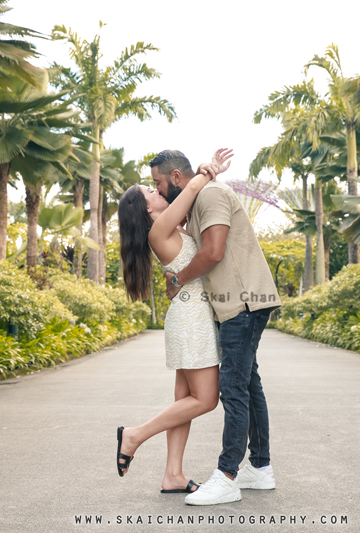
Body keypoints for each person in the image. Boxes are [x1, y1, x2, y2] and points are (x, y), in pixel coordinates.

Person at [153, 149, 282, 506]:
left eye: (159, 184)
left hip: (243, 302)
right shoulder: (197, 201)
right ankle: (259, 467)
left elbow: (213, 251)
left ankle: (227, 476)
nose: (160, 192)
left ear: (176, 178)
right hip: (236, 305)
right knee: (248, 384)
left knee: (233, 387)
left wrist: (178, 278)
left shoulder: (209, 196)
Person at [115, 148, 234, 494]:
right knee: (206, 400)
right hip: (191, 318)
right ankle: (134, 435)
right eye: (151, 191)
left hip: (188, 315)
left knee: (184, 401)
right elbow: (193, 190)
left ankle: (173, 475)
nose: (158, 191)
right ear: (147, 210)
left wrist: (199, 171)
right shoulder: (160, 230)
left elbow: (189, 195)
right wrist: (209, 168)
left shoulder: (171, 229)